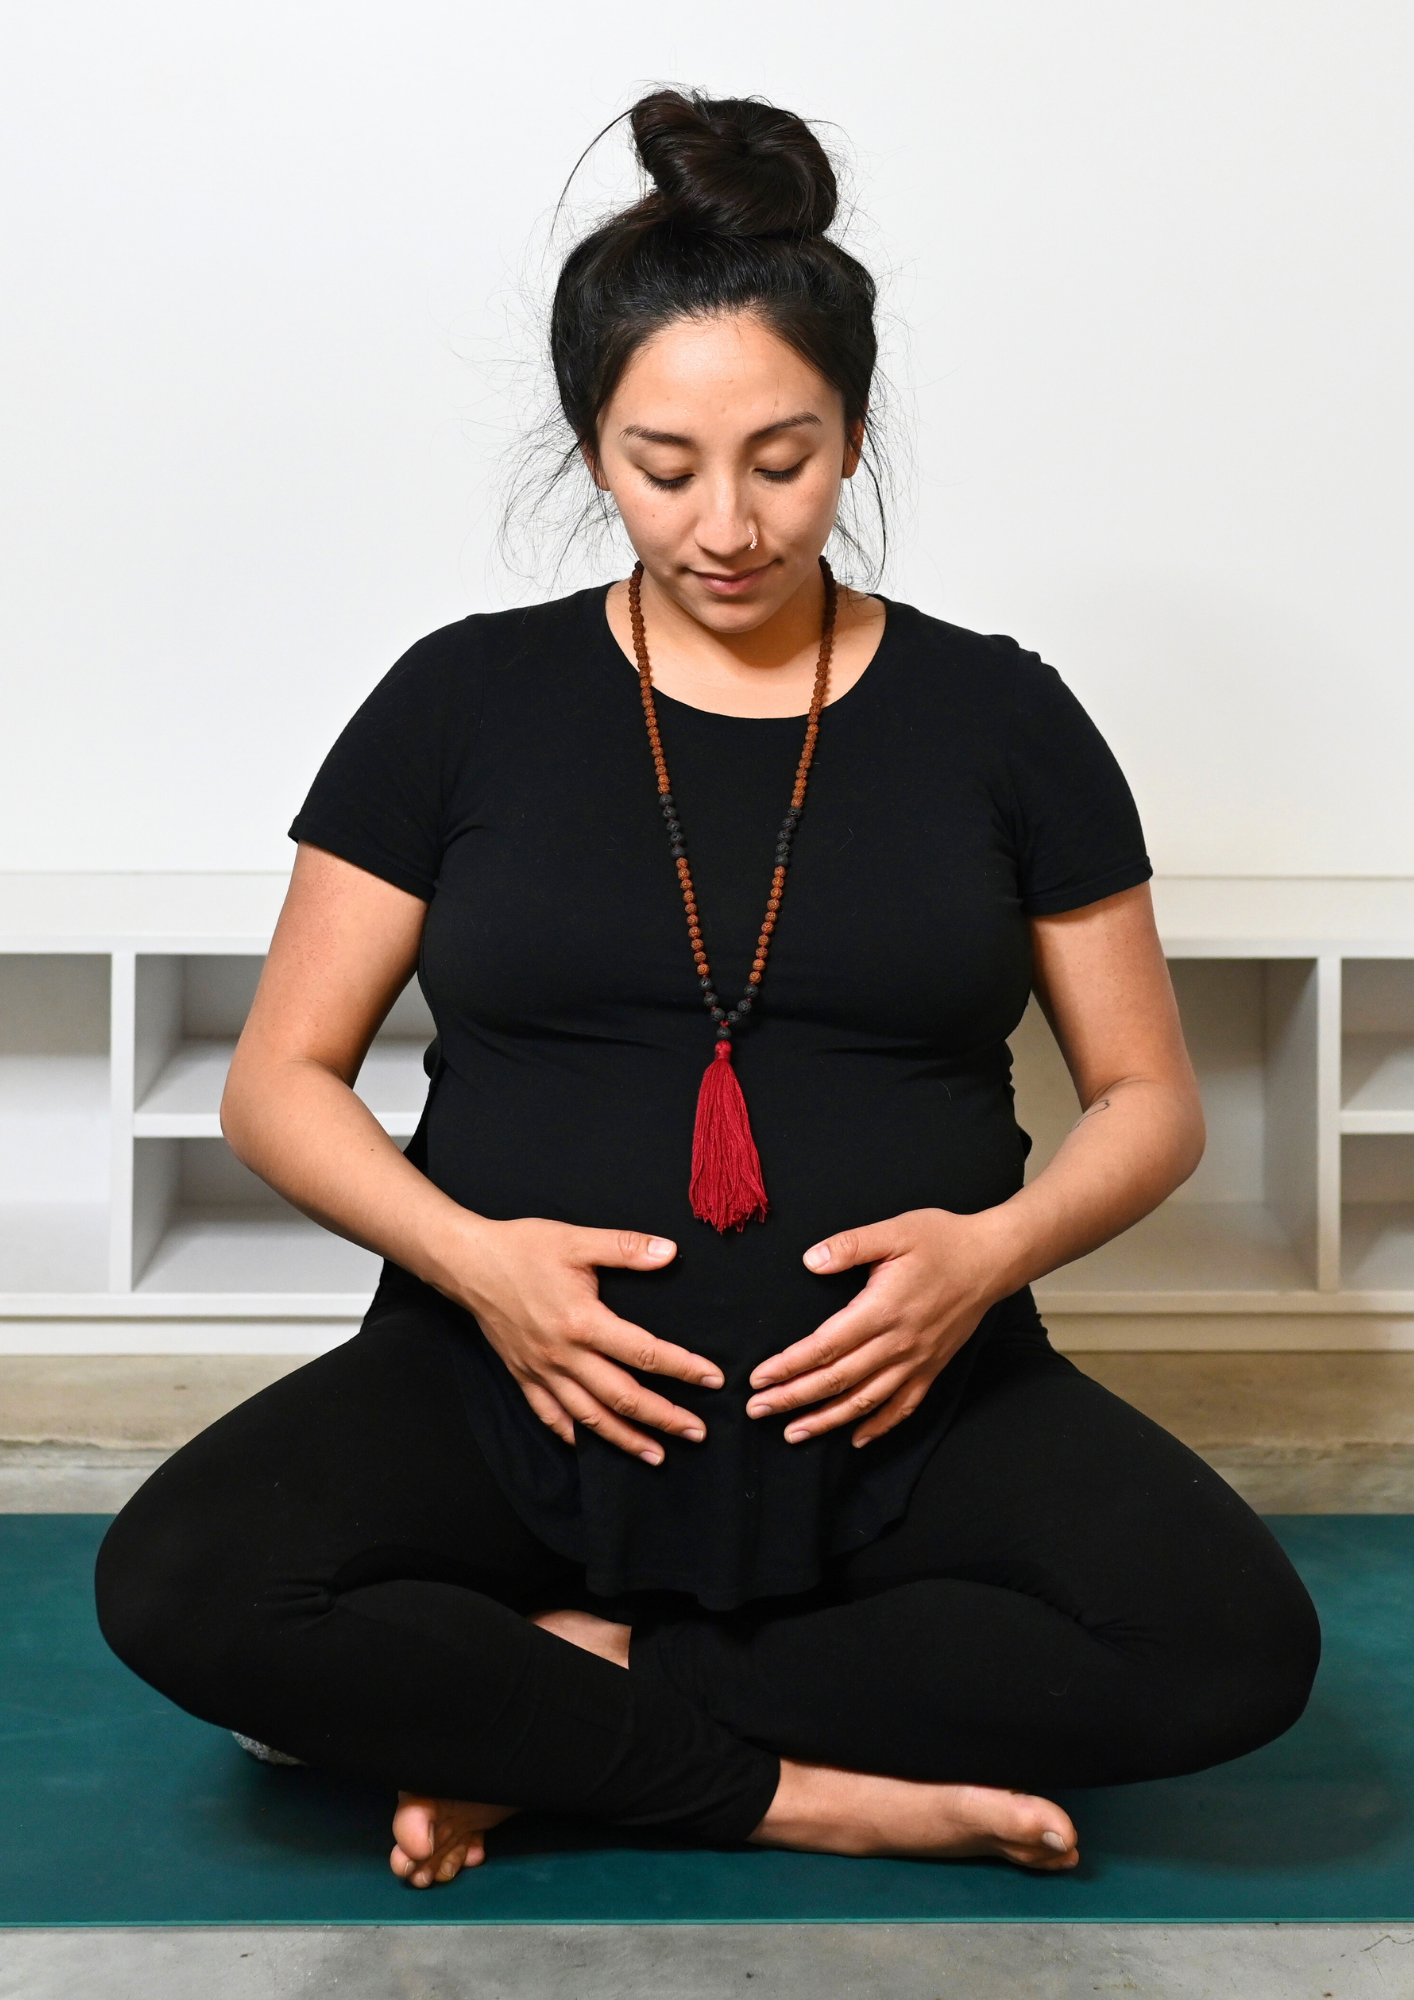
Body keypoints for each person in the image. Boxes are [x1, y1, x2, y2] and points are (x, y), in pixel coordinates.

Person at [95, 89, 1320, 1887]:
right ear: (592, 442)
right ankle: (795, 1789)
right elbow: (282, 1077)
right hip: (516, 1382)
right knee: (184, 1587)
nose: (728, 522)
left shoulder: (1004, 716)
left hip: (898, 1400)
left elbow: (1148, 1103)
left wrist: (981, 1260)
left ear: (853, 433)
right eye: (664, 465)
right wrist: (483, 1269)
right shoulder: (460, 699)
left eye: (786, 458)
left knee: (1230, 1652)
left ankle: (557, 1703)